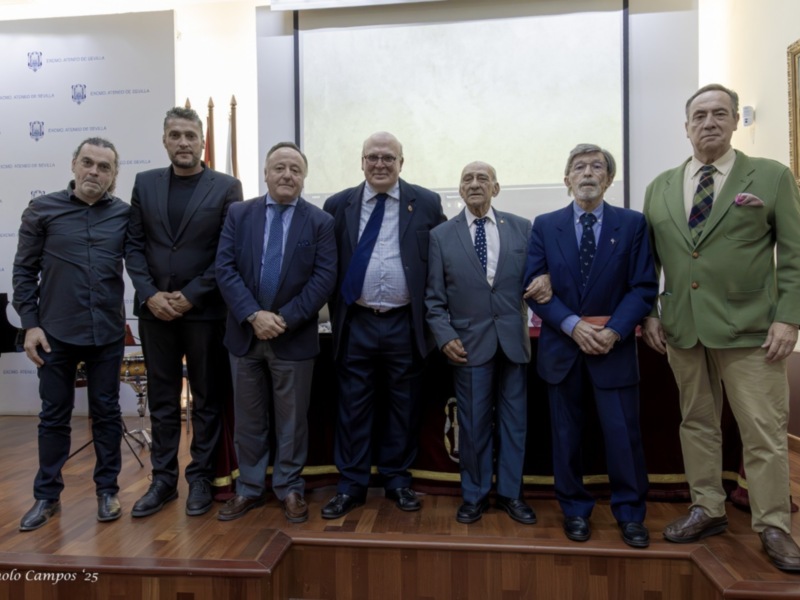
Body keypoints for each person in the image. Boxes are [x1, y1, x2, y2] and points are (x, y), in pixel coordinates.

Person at [642, 84, 800, 571]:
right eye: (699, 115)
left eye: (719, 114)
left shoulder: (770, 177)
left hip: (751, 331)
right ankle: (707, 507)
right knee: (696, 423)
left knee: (763, 430)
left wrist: (789, 317)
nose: (709, 122)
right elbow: (649, 261)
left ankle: (773, 524)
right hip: (682, 329)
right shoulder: (661, 186)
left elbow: (794, 254)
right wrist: (650, 311)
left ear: (734, 121)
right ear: (686, 126)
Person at [525, 143, 657, 548]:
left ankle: (630, 513)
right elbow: (533, 288)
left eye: (596, 166)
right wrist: (573, 326)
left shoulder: (632, 224)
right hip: (562, 351)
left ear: (609, 178)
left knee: (623, 437)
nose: (587, 172)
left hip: (612, 348)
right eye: (579, 167)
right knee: (566, 437)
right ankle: (575, 510)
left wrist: (614, 331)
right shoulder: (545, 225)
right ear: (567, 179)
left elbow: (643, 287)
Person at [125, 106, 243, 518]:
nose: (183, 142)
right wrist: (150, 294)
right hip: (154, 312)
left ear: (202, 141)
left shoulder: (226, 187)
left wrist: (191, 295)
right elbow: (133, 246)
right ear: (164, 140)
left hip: (205, 311)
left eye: (190, 135)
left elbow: (228, 251)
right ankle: (162, 481)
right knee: (162, 399)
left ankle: (201, 479)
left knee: (207, 399)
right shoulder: (145, 183)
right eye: (175, 135)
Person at [321, 131, 446, 518]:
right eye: (372, 157)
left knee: (403, 407)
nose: (380, 164)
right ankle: (351, 485)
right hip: (355, 321)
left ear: (401, 163)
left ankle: (397, 480)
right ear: (361, 161)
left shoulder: (426, 202)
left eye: (388, 158)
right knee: (352, 407)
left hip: (404, 323)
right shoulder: (338, 204)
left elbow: (442, 259)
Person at [215, 142, 336, 523]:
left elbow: (324, 278)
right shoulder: (239, 213)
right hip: (245, 335)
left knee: (292, 423)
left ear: (304, 177)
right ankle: (249, 488)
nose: (287, 175)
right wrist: (254, 315)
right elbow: (225, 268)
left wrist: (282, 319)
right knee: (249, 420)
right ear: (266, 173)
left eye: (295, 169)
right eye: (279, 168)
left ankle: (289, 487)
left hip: (293, 337)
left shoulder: (320, 222)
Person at [13, 137, 130, 531]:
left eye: (104, 166)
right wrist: (30, 325)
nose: (94, 171)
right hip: (55, 332)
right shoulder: (42, 210)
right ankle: (46, 497)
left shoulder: (125, 215)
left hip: (107, 333)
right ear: (74, 165)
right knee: (53, 417)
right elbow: (24, 271)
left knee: (107, 414)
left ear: (114, 175)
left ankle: (108, 491)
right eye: (88, 162)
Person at [425, 161, 539, 524]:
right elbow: (433, 300)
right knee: (472, 425)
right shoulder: (441, 236)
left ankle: (510, 494)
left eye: (482, 178)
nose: (475, 184)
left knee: (514, 423)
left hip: (513, 344)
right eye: (467, 179)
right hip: (467, 345)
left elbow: (536, 279)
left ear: (496, 188)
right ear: (460, 189)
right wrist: (445, 337)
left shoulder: (522, 228)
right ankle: (474, 494)